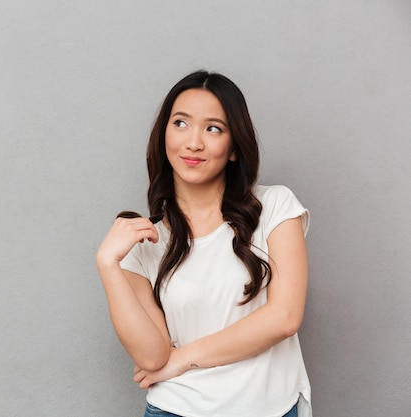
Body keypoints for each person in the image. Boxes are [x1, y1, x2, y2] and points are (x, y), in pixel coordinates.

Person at [95, 70, 312, 417]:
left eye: (213, 128)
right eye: (180, 123)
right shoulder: (144, 242)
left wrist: (181, 359)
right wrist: (108, 264)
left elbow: (284, 317)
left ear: (234, 149)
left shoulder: (274, 207)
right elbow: (152, 357)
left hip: (269, 408)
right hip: (175, 409)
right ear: (164, 134)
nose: (193, 142)